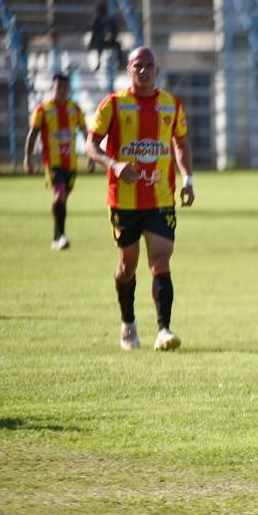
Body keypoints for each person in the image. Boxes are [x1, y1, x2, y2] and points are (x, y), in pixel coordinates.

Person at [85, 47, 195, 352]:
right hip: (124, 202)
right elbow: (91, 146)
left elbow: (181, 143)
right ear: (128, 69)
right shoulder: (114, 104)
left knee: (161, 259)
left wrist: (188, 179)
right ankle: (128, 323)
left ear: (157, 69)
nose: (144, 71)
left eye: (149, 66)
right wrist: (114, 164)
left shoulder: (171, 104)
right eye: (137, 66)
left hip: (160, 198)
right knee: (127, 267)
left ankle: (164, 330)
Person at [24, 72, 89, 251]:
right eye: (58, 87)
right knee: (59, 195)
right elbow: (33, 135)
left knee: (62, 200)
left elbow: (85, 132)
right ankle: (61, 236)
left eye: (64, 87)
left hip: (71, 164)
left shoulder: (75, 109)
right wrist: (27, 158)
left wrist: (91, 157)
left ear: (68, 89)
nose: (61, 90)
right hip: (53, 163)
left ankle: (56, 238)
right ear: (52, 88)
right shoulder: (43, 110)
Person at [87, 4, 121, 72]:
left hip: (111, 40)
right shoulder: (96, 22)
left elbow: (115, 30)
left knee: (118, 45)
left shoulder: (110, 21)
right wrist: (92, 42)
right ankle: (99, 63)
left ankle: (120, 64)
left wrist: (111, 36)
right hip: (101, 41)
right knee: (99, 43)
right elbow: (94, 33)